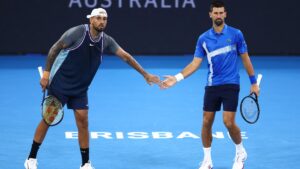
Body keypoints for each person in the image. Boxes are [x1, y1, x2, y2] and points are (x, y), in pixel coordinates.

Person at [24, 8, 160, 169]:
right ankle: (31, 158)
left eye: (104, 19)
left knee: (83, 122)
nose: (102, 21)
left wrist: (145, 74)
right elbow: (55, 48)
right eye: (98, 18)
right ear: (91, 20)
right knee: (48, 119)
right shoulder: (77, 33)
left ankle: (85, 163)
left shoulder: (107, 40)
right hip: (60, 83)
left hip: (80, 88)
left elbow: (126, 56)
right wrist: (46, 74)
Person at [160, 1, 260, 169]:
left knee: (228, 122)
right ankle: (207, 160)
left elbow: (245, 59)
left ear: (225, 14)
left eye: (221, 13)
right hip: (212, 85)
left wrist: (253, 83)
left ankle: (240, 152)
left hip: (231, 83)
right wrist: (176, 78)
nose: (219, 16)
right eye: (216, 13)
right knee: (206, 122)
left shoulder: (236, 34)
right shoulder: (203, 38)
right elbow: (195, 63)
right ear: (210, 15)